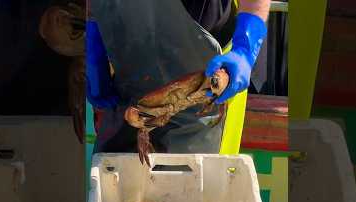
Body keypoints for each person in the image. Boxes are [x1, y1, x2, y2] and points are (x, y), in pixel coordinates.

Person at [87, 0, 270, 155]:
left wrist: (245, 48)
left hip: (208, 82)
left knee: (200, 188)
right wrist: (92, 26)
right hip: (126, 81)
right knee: (117, 186)